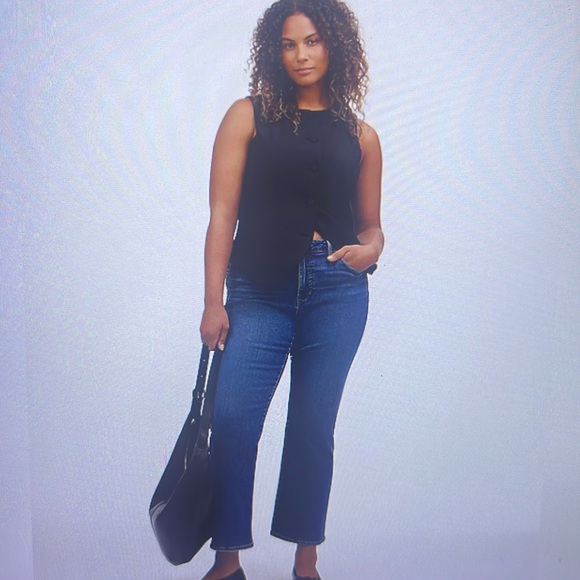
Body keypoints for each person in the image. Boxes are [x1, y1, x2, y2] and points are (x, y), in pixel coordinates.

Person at [199, 1, 383, 578]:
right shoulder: (247, 116)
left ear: (335, 46)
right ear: (273, 52)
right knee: (232, 420)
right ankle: (228, 560)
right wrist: (212, 301)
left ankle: (306, 562)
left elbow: (372, 225)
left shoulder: (361, 135)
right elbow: (222, 214)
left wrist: (372, 249)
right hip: (258, 288)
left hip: (337, 292)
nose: (300, 55)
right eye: (288, 44)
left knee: (311, 428)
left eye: (312, 41)